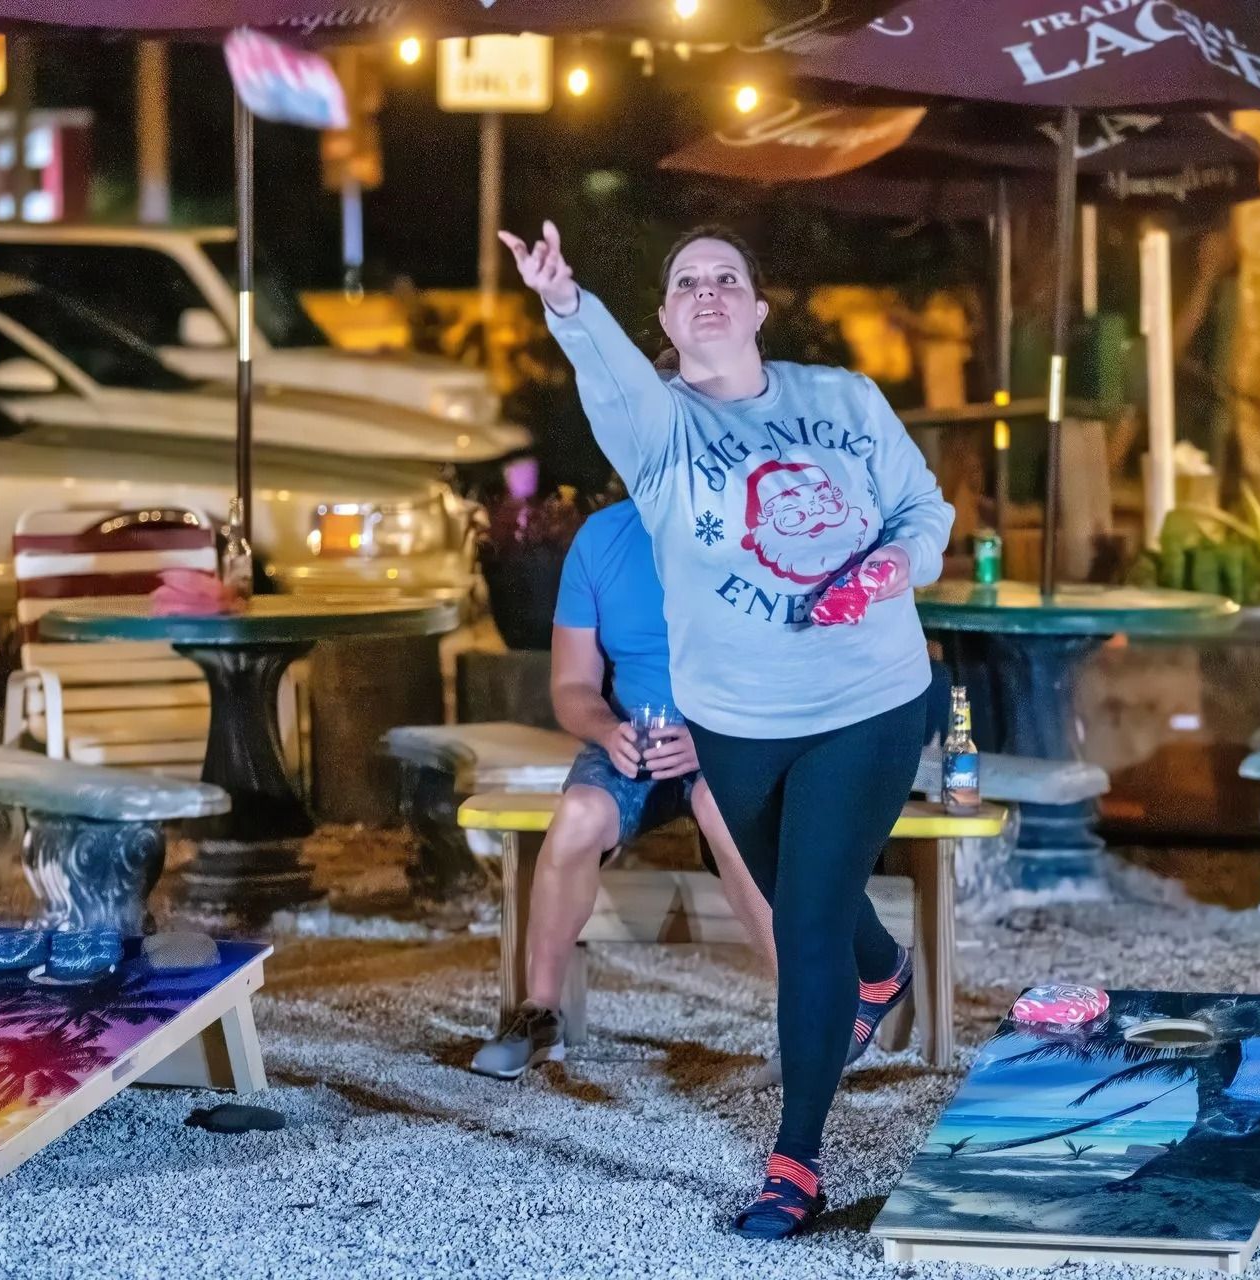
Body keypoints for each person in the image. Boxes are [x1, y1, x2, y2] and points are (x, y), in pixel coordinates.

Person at [500, 221, 953, 1236]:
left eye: (727, 278)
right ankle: (880, 967)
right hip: (737, 718)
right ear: (666, 317)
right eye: (685, 281)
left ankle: (795, 1159)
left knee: (805, 911)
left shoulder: (841, 400)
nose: (707, 291)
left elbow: (925, 509)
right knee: (809, 889)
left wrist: (894, 566)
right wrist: (566, 302)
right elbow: (610, 376)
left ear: (757, 307)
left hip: (868, 695)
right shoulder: (659, 438)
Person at [469, 496, 778, 1079]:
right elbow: (572, 684)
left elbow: (782, 670)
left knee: (719, 804)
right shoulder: (602, 537)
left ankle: (804, 1021)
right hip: (633, 734)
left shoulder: (750, 526)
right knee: (580, 813)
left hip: (732, 736)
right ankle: (539, 1014)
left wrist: (714, 740)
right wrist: (608, 730)